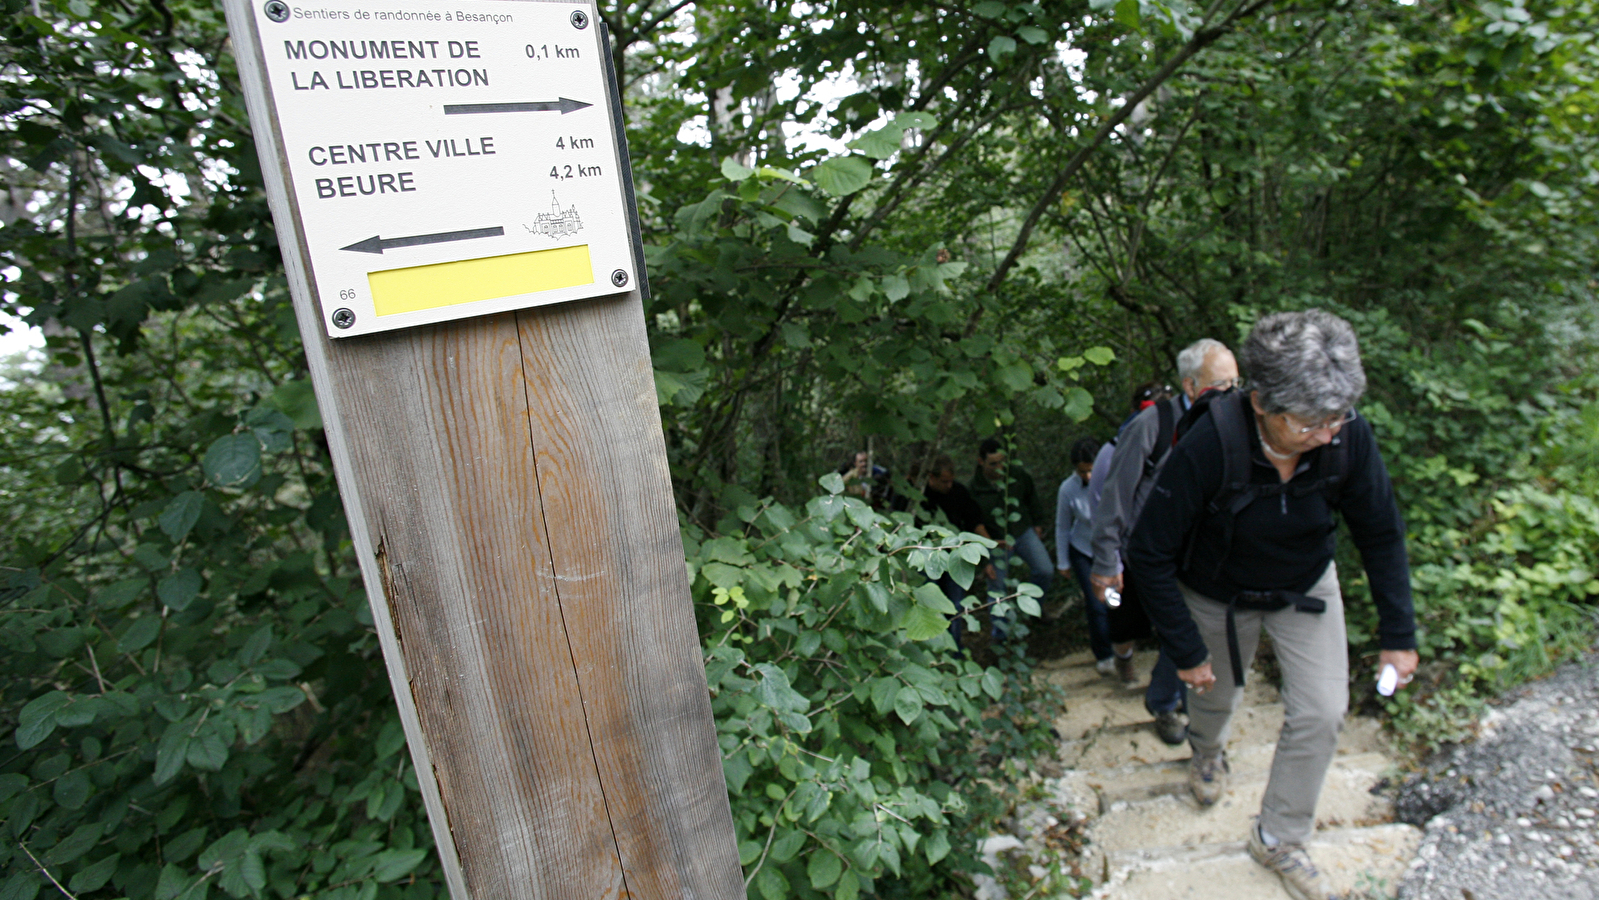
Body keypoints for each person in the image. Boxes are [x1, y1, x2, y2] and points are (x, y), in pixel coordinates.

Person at [1126, 310, 1419, 900]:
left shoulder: (1346, 434)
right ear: (1261, 402)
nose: (1329, 432)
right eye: (1312, 422)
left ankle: (1280, 836)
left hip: (1304, 588)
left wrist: (1399, 634)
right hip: (1215, 596)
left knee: (1321, 710)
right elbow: (1148, 551)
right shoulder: (1212, 443)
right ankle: (1207, 754)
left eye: (1338, 417)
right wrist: (1185, 649)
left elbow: (1381, 533)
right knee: (1215, 697)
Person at [1089, 339, 1239, 746]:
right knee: (1179, 628)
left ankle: (1182, 713)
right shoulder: (1152, 426)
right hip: (1154, 553)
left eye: (1236, 383)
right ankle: (1167, 704)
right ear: (1190, 387)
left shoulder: (1236, 423)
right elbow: (1115, 496)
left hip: (1206, 553)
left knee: (1197, 632)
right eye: (1222, 384)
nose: (1233, 393)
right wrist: (1106, 559)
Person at [969, 438, 1052, 636]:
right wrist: (984, 557)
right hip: (994, 540)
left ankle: (1033, 609)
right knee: (997, 590)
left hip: (1022, 531)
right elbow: (972, 522)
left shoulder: (1017, 476)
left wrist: (1037, 524)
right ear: (981, 462)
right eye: (993, 464)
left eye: (1002, 462)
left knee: (1045, 570)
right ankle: (1001, 636)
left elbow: (1031, 498)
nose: (999, 468)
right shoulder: (974, 489)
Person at [920, 455, 999, 644]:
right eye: (943, 481)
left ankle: (955, 650)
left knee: (954, 605)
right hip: (926, 558)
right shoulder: (919, 495)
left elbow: (975, 523)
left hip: (955, 558)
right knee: (929, 605)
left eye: (951, 481)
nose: (948, 485)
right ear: (931, 477)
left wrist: (988, 556)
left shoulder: (959, 493)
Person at [1056, 438, 1112, 673]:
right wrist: (1063, 561)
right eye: (1082, 472)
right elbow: (1062, 525)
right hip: (1083, 551)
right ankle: (1104, 655)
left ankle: (1123, 646)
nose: (1088, 477)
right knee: (1095, 603)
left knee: (1114, 601)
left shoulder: (1114, 479)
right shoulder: (1068, 489)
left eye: (1091, 470)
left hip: (1111, 551)